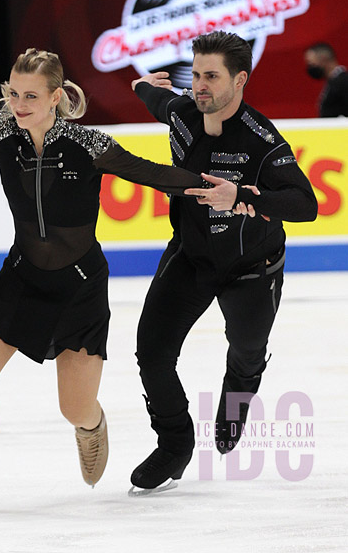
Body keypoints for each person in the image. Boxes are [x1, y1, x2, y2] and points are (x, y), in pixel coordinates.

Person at [0, 24, 206, 510]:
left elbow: (152, 173)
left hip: (79, 288)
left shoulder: (87, 143)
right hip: (20, 280)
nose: (19, 104)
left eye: (30, 95)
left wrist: (216, 188)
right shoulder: (1, 132)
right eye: (13, 93)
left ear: (56, 96)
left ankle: (90, 425)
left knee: (73, 406)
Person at [129, 31, 318, 491]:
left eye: (211, 77)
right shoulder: (182, 115)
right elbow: (154, 98)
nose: (200, 86)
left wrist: (248, 195)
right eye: (194, 75)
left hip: (252, 266)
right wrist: (142, 86)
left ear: (240, 80)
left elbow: (306, 204)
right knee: (152, 353)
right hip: (191, 257)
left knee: (247, 352)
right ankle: (174, 445)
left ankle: (238, 395)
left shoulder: (262, 139)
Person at [304, 42, 348, 117]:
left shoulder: (344, 82)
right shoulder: (332, 82)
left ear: (324, 59)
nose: (310, 67)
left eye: (312, 64)